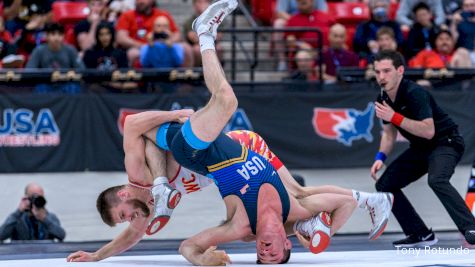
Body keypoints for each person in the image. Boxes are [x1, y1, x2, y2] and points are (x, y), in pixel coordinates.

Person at [67, 0, 393, 263]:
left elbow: (135, 126)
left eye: (124, 214)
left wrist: (163, 171)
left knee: (228, 106)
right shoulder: (148, 209)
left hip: (222, 148)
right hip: (226, 159)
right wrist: (97, 256)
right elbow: (134, 235)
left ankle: (204, 34)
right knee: (298, 198)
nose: (130, 219)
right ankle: (368, 200)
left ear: (124, 195)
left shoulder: (136, 174)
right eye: (125, 220)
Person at [370, 50, 475, 248]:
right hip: (421, 148)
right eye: (377, 72)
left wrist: (395, 116)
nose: (381, 77)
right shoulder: (382, 98)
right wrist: (380, 157)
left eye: (386, 71)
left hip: (446, 141)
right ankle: (420, 234)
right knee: (384, 185)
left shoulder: (414, 93)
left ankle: (471, 227)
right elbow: (389, 133)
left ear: (400, 70)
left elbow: (428, 130)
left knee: (437, 179)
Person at [25, 23, 85, 94]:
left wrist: (71, 75)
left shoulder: (71, 50)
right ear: (47, 36)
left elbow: (82, 69)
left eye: (60, 34)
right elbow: (29, 70)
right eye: (53, 34)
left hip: (66, 84)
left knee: (73, 88)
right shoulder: (39, 50)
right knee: (40, 88)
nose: (56, 38)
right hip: (46, 84)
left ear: (63, 36)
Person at [0, 183, 66, 242]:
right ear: (26, 198)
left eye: (40, 197)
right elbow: (1, 236)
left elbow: (61, 236)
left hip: (44, 253)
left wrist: (44, 219)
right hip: (22, 253)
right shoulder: (17, 218)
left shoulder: (50, 217)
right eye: (34, 197)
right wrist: (18, 212)